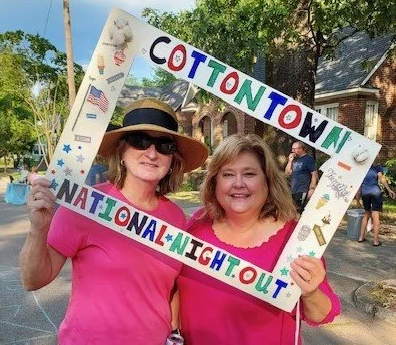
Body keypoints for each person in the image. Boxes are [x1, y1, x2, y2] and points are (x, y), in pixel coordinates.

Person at [19, 98, 208, 344]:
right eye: (139, 141)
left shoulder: (176, 218)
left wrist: (174, 333)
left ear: (173, 159)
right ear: (121, 151)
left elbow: (168, 288)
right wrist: (38, 228)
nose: (152, 153)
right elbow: (32, 280)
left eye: (165, 145)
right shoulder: (86, 205)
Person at [178, 134, 340, 344]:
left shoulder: (295, 239)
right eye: (227, 174)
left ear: (267, 182)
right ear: (214, 182)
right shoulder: (197, 224)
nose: (238, 183)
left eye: (249, 174)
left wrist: (311, 293)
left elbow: (321, 314)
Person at [357, 165, 395, 246]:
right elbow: (381, 178)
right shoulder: (376, 168)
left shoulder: (361, 169)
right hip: (375, 193)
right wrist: (389, 190)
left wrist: (357, 200)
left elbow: (359, 186)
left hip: (365, 194)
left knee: (367, 214)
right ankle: (376, 241)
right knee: (376, 216)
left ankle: (361, 237)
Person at [285, 141, 318, 214]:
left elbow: (314, 174)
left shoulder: (308, 159)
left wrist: (312, 188)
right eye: (292, 149)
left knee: (299, 211)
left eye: (294, 149)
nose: (292, 151)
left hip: (303, 189)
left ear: (301, 149)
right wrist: (290, 161)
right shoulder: (294, 159)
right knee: (293, 211)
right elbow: (287, 173)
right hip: (293, 190)